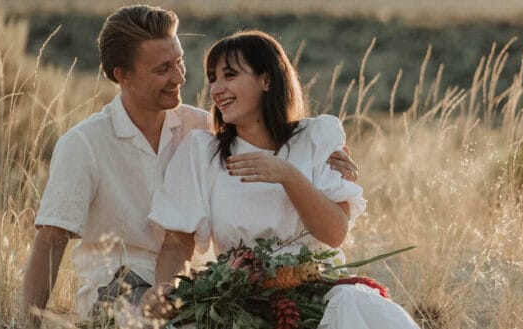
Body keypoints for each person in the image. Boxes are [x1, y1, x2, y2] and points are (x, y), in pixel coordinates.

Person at [21, 5, 359, 327]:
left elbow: (266, 127)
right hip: (119, 285)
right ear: (122, 76)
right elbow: (51, 239)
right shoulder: (84, 143)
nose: (180, 77)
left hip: (190, 287)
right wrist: (26, 324)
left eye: (179, 61)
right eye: (162, 69)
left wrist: (322, 157)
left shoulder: (201, 129)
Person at [147, 30, 420, 328]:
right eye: (212, 78)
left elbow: (334, 233)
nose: (216, 89)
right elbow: (177, 242)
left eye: (229, 75)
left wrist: (287, 175)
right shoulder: (203, 151)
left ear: (267, 80)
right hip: (241, 302)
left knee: (353, 305)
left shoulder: (316, 137)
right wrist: (165, 290)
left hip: (319, 293)